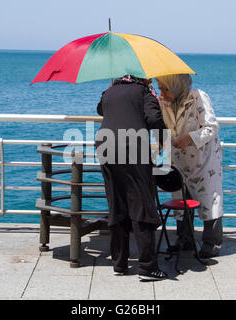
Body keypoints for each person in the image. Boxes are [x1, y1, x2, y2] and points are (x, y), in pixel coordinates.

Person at [95, 75, 168, 281]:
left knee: (117, 203)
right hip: (132, 148)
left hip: (105, 146)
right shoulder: (144, 92)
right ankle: (147, 267)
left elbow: (101, 109)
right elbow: (153, 118)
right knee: (142, 203)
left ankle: (119, 263)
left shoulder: (109, 91)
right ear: (143, 77)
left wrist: (112, 88)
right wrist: (163, 140)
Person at [155, 74, 223, 258]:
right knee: (180, 197)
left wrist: (190, 138)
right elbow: (162, 127)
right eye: (160, 88)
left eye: (165, 88)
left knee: (209, 198)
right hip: (177, 157)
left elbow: (211, 127)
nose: (162, 93)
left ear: (177, 86)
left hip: (203, 158)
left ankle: (212, 243)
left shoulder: (199, 97)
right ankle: (184, 239)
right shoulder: (164, 101)